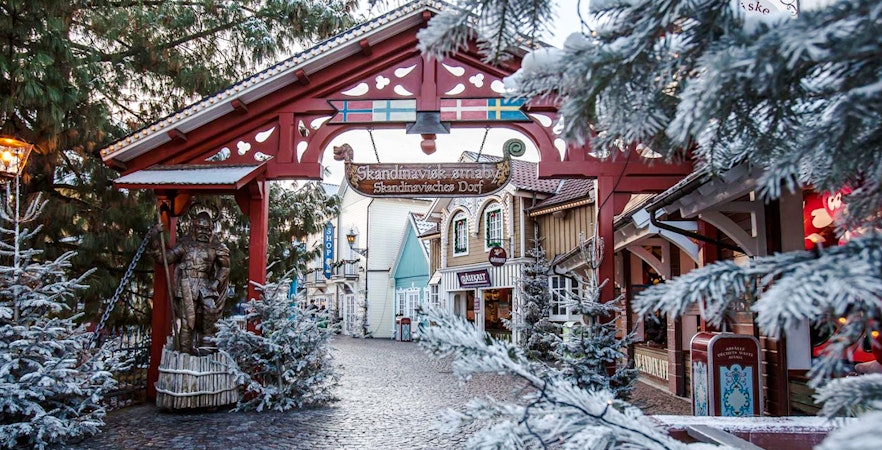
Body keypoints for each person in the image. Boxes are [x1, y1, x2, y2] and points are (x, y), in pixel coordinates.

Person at [154, 210, 231, 355]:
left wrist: (216, 282)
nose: (204, 232)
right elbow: (164, 258)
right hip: (187, 284)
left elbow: (225, 267)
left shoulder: (216, 247)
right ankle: (185, 353)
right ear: (194, 228)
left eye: (207, 229)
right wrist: (154, 239)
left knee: (211, 311)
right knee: (187, 320)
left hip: (206, 284)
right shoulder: (185, 245)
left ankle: (206, 350)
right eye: (201, 228)